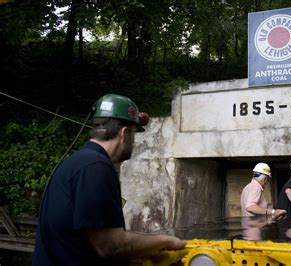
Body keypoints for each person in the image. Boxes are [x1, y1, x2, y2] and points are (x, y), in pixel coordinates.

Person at [33, 94, 186, 265]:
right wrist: (167, 241)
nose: (133, 142)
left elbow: (87, 240)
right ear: (124, 133)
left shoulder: (79, 163)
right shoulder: (96, 168)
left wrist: (146, 248)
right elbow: (111, 246)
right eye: (134, 135)